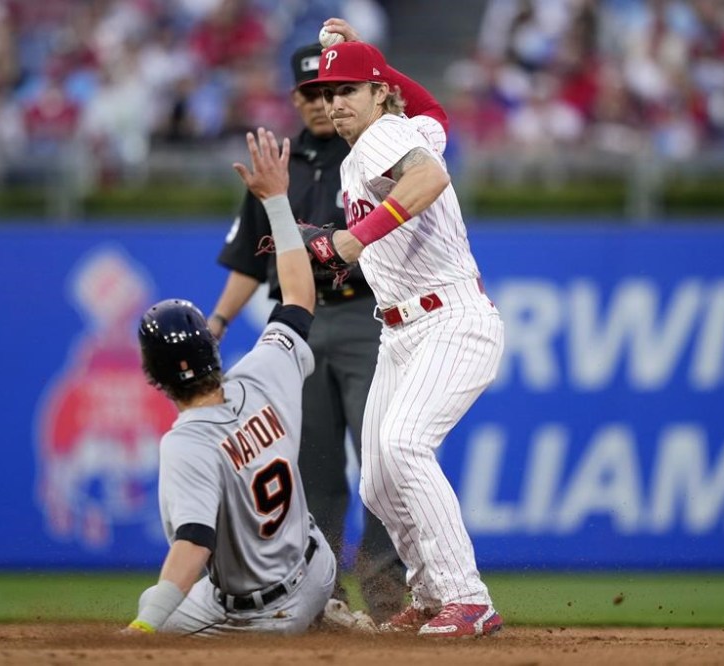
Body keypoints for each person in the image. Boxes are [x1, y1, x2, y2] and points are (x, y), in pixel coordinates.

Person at [300, 20, 506, 638]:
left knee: (403, 446)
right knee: (378, 480)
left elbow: (430, 178)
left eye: (349, 90)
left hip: (448, 321)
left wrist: (351, 238)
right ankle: (431, 592)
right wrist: (374, 60)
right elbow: (435, 111)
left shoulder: (387, 134)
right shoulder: (409, 128)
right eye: (327, 92)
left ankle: (469, 599)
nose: (334, 102)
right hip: (400, 332)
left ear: (379, 95)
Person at [208, 42, 404, 623]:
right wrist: (218, 321)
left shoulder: (377, 152)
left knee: (383, 462)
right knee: (312, 466)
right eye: (313, 92)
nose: (324, 101)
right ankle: (324, 592)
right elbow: (248, 258)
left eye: (335, 90)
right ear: (297, 98)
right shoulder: (278, 168)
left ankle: (388, 591)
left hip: (366, 314)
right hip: (297, 322)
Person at [125, 128, 336, 636]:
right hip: (318, 569)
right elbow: (299, 297)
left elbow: (194, 544)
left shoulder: (187, 443)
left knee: (153, 609)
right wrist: (279, 203)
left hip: (264, 616)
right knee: (168, 600)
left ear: (154, 377)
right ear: (211, 347)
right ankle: (327, 615)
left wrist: (143, 630)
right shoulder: (263, 371)